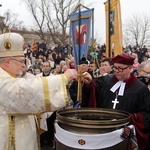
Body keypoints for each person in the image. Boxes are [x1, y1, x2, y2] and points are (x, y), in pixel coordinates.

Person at [0, 32, 77, 150]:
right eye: (21, 61)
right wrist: (63, 78)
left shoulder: (11, 77)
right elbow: (25, 91)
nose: (23, 65)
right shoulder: (3, 80)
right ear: (8, 62)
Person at [82, 54, 150, 150]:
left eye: (121, 68)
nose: (117, 71)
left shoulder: (140, 89)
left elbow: (146, 115)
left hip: (123, 136)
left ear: (130, 68)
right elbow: (93, 92)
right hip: (103, 131)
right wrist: (89, 83)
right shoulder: (106, 80)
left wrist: (131, 118)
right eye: (115, 67)